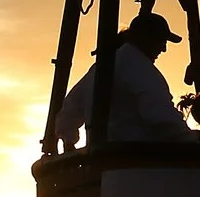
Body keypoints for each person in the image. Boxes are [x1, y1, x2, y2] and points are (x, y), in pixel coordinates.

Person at [51, 13, 192, 147]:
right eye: (160, 41)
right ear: (142, 37)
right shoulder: (139, 68)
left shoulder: (100, 68)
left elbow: (68, 112)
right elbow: (163, 117)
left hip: (103, 164)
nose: (163, 49)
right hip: (139, 164)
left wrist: (69, 143)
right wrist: (192, 141)